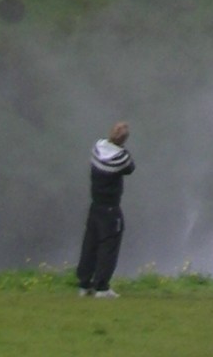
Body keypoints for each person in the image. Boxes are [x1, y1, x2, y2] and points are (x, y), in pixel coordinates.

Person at [76, 121, 135, 297]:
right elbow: (130, 167)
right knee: (108, 246)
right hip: (110, 208)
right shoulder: (120, 157)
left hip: (95, 205)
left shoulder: (97, 148)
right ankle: (101, 286)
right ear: (124, 140)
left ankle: (84, 284)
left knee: (90, 244)